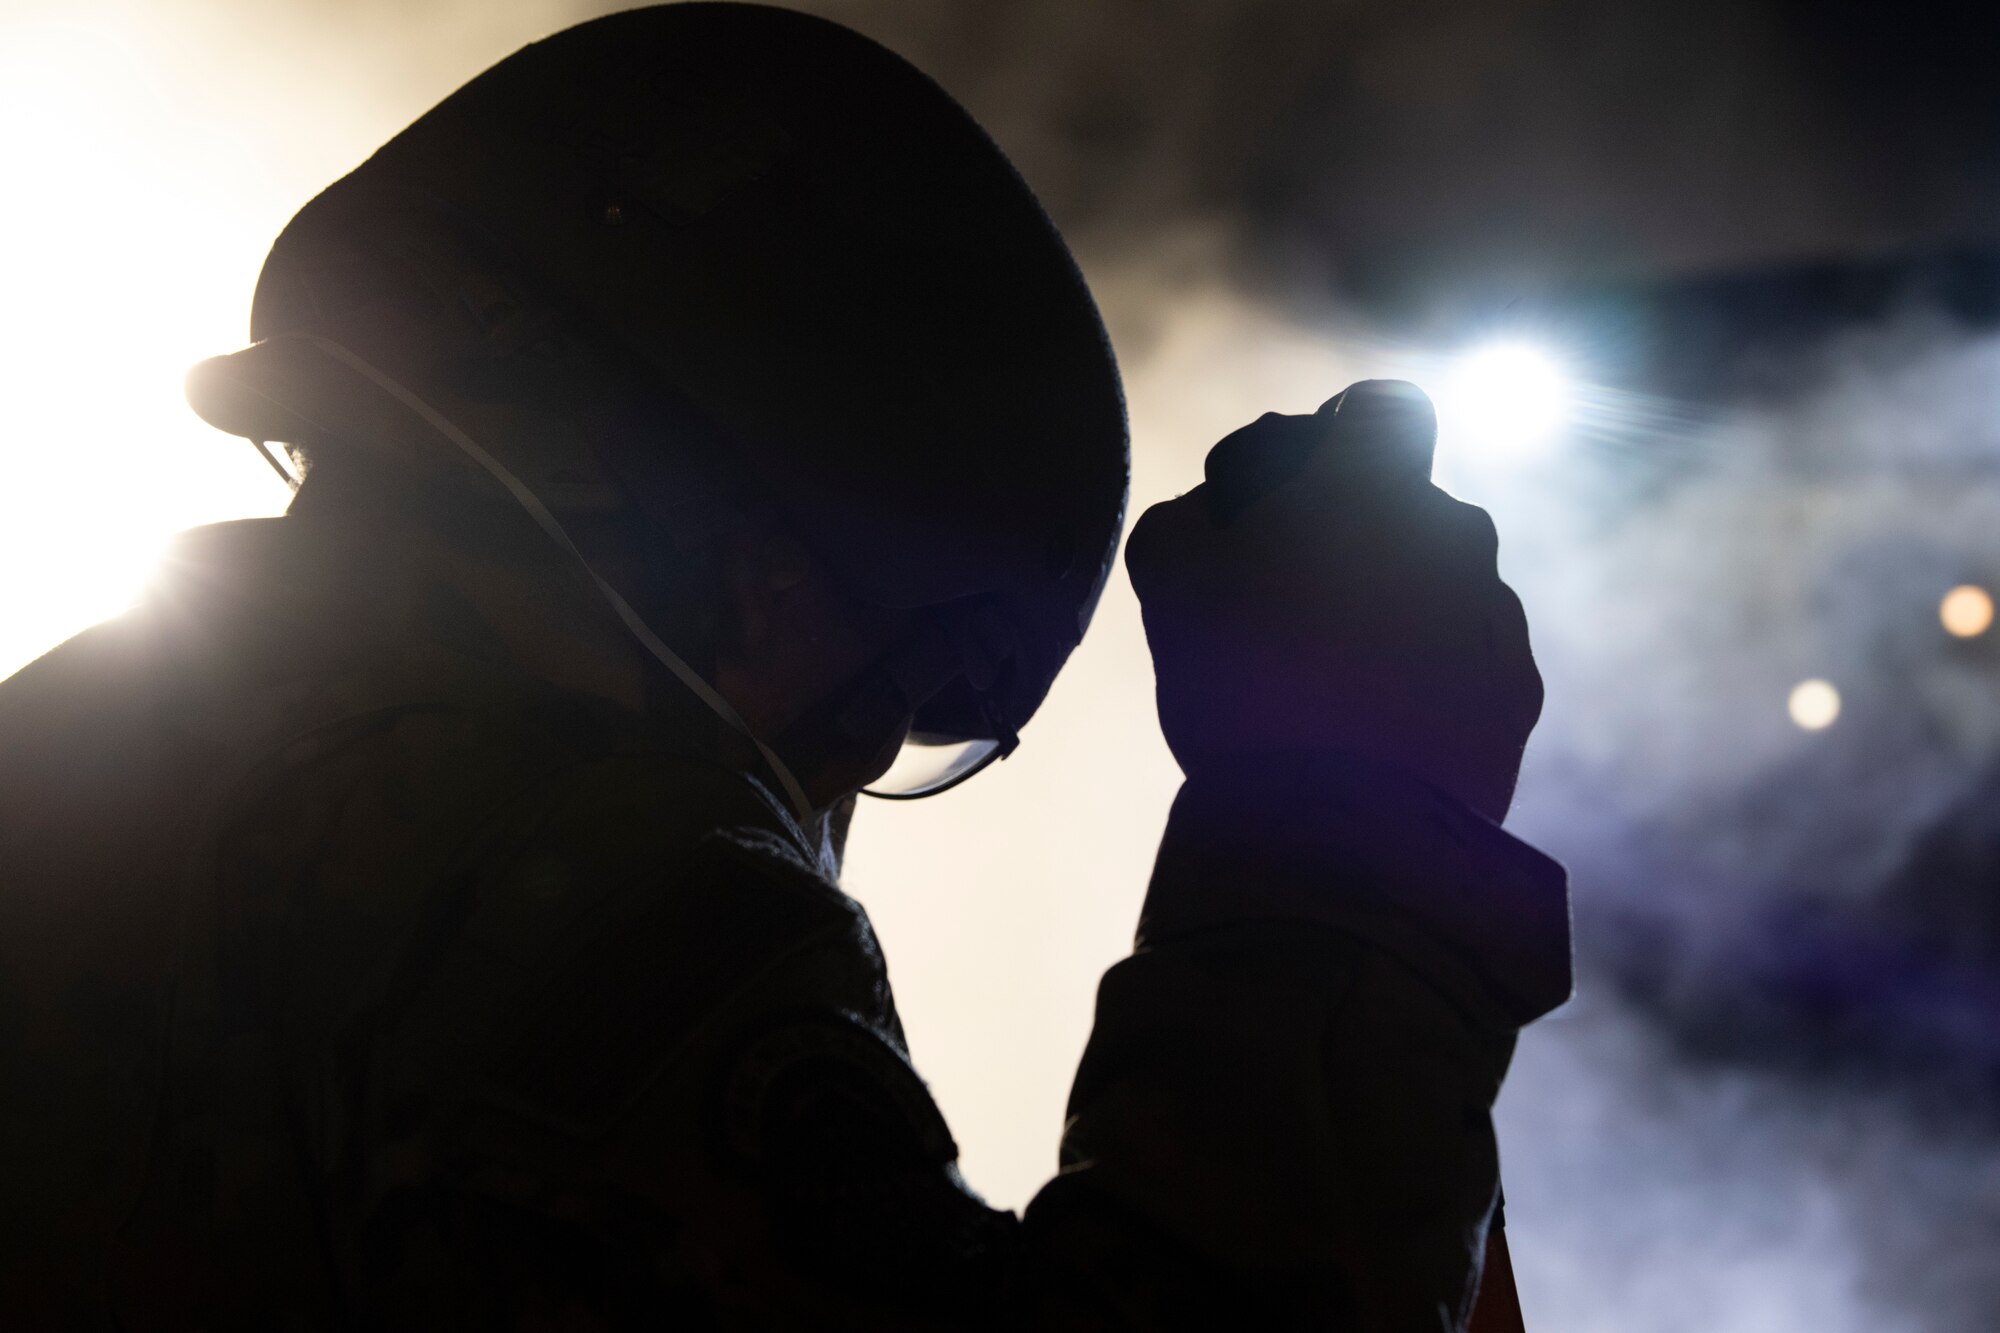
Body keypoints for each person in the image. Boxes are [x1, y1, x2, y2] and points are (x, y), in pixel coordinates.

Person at [0, 5, 1568, 1328]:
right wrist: (1352, 823)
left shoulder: (101, 768)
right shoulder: (539, 852)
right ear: (732, 551)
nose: (851, 766)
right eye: (892, 685)